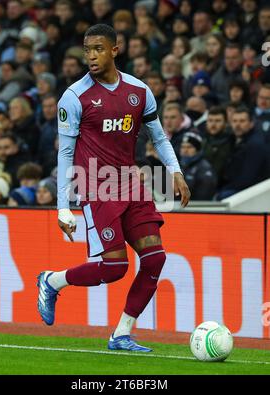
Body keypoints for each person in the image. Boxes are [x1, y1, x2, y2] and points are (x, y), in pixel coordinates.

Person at [37, 24, 190, 352]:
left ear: (114, 50)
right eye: (86, 49)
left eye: (98, 48)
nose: (90, 55)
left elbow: (159, 137)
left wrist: (175, 172)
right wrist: (63, 206)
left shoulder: (139, 91)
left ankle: (122, 333)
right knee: (116, 267)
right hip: (97, 188)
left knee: (154, 260)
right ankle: (52, 281)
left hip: (132, 186)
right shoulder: (75, 97)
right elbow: (65, 153)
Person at [180, 132, 217, 200]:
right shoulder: (179, 165)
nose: (185, 150)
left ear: (197, 150)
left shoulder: (204, 168)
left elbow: (204, 196)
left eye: (189, 147)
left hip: (194, 207)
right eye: (183, 147)